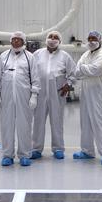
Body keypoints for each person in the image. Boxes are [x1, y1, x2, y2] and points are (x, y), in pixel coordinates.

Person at [0, 31, 38, 166]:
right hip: (6, 97)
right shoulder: (3, 57)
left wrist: (34, 95)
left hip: (24, 96)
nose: (16, 42)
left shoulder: (30, 58)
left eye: (19, 40)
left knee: (24, 125)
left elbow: (35, 77)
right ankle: (7, 155)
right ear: (10, 41)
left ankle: (24, 154)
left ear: (23, 42)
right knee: (7, 125)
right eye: (14, 39)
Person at [30, 30, 76, 159]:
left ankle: (58, 148)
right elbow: (31, 72)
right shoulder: (37, 54)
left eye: (56, 38)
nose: (52, 39)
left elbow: (73, 74)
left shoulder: (65, 56)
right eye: (50, 36)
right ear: (46, 39)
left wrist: (68, 84)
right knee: (38, 121)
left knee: (57, 121)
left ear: (60, 42)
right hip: (40, 92)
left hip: (58, 93)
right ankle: (36, 148)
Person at [72, 31, 102, 165]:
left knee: (100, 122)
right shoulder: (85, 54)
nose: (91, 41)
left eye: (94, 39)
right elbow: (76, 72)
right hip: (85, 91)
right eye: (89, 38)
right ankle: (87, 150)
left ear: (100, 40)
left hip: (98, 93)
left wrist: (83, 69)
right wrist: (85, 70)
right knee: (85, 122)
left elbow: (97, 70)